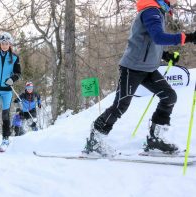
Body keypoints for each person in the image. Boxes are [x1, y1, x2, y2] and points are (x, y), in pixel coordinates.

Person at [84, 0, 196, 155]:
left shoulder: (158, 11)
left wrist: (165, 55)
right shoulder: (151, 12)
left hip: (148, 68)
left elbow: (148, 42)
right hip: (132, 68)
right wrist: (189, 38)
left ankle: (155, 140)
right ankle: (95, 139)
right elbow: (158, 37)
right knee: (120, 106)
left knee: (169, 97)